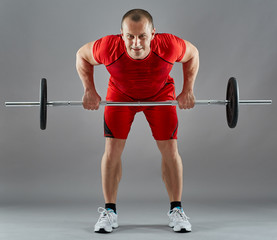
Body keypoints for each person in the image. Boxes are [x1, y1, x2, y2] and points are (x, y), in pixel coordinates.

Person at [76, 9, 199, 233]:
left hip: (159, 95)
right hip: (121, 96)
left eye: (142, 36)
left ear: (153, 33)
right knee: (112, 151)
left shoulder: (169, 45)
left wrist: (188, 90)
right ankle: (109, 212)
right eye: (130, 36)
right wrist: (89, 90)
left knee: (170, 151)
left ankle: (176, 210)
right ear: (121, 35)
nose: (136, 43)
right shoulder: (108, 47)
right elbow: (82, 55)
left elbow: (193, 54)